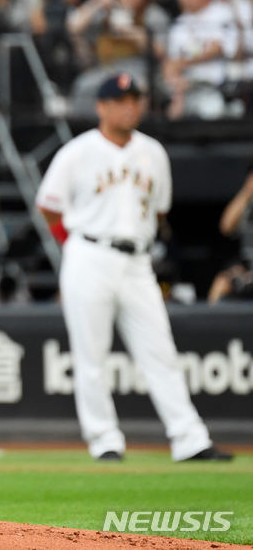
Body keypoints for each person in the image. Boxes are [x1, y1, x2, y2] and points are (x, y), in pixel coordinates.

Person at [35, 72, 233, 462]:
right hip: (89, 254)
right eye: (121, 100)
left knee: (160, 351)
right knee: (91, 355)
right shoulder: (78, 151)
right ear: (101, 107)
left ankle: (190, 439)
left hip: (138, 261)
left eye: (135, 99)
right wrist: (73, 245)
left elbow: (160, 210)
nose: (130, 107)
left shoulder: (153, 152)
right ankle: (105, 440)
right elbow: (49, 205)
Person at [208, 168, 253, 303]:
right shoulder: (248, 205)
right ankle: (211, 323)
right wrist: (247, 191)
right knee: (221, 283)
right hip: (248, 270)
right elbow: (226, 226)